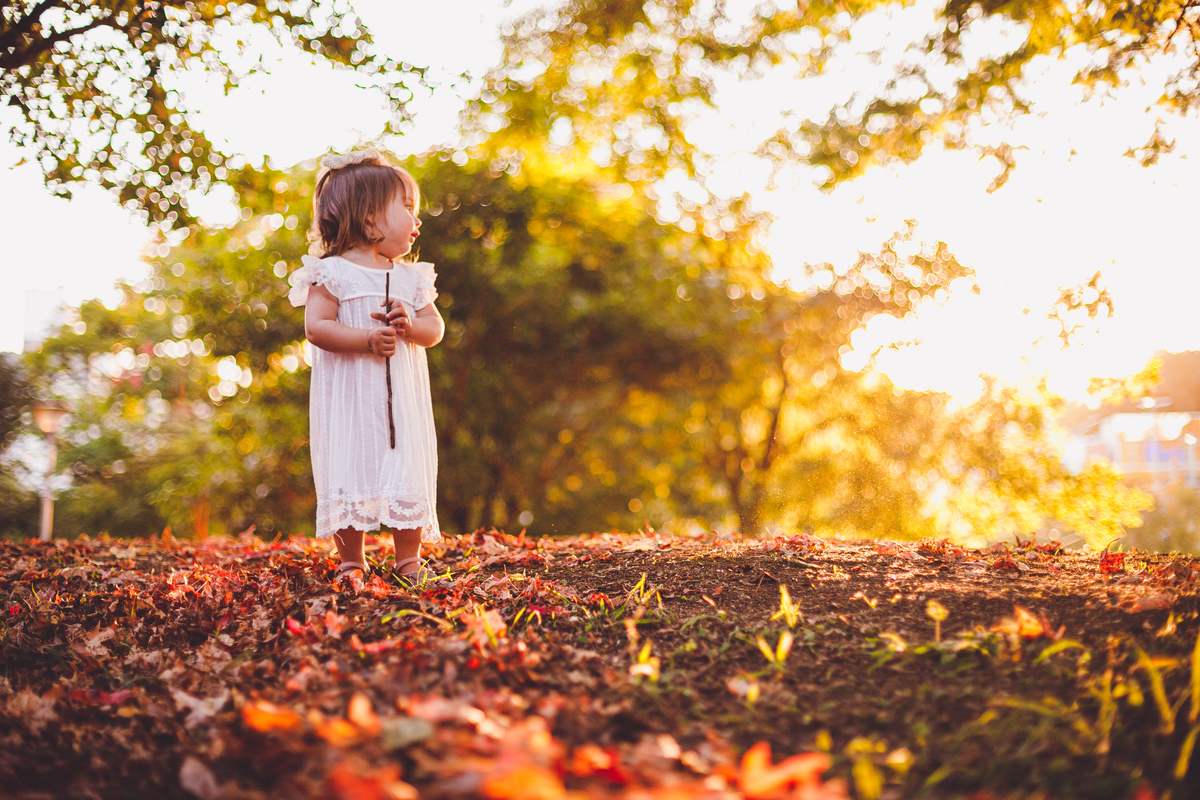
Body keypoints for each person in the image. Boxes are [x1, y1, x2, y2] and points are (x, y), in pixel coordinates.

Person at [287, 148, 444, 589]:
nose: (417, 221)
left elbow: (435, 328)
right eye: (408, 209)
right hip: (352, 397)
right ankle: (351, 560)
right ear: (371, 218)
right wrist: (366, 340)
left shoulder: (411, 277)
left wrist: (410, 327)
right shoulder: (331, 273)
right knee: (349, 462)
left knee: (405, 462)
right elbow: (317, 328)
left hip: (402, 402)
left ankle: (408, 558)